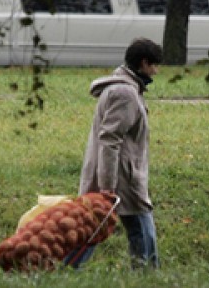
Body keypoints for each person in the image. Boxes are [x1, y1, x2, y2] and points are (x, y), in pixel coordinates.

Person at [65, 37, 163, 270]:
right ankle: (147, 278)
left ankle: (62, 273)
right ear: (143, 63)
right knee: (139, 228)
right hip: (122, 178)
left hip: (122, 174)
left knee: (93, 229)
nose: (156, 72)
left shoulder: (125, 88)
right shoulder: (125, 93)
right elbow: (110, 140)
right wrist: (107, 187)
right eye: (154, 65)